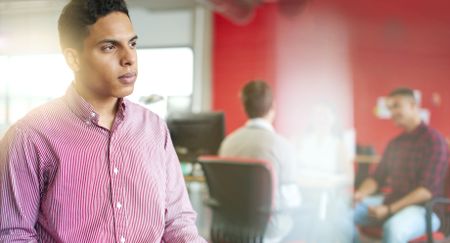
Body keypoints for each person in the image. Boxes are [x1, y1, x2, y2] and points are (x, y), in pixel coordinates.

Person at [0, 0, 206, 242]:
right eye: (109, 47)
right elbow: (13, 234)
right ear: (73, 59)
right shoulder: (31, 136)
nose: (129, 58)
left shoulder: (154, 129)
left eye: (132, 44)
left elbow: (177, 221)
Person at [353, 87, 449, 243]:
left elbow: (426, 191)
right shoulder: (395, 143)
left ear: (412, 105)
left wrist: (389, 209)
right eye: (390, 108)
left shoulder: (435, 141)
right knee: (342, 214)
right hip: (392, 202)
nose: (392, 112)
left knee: (394, 228)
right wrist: (361, 193)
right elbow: (377, 178)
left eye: (397, 106)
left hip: (424, 209)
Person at [219, 80, 299, 243]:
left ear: (244, 107)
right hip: (269, 230)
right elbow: (291, 199)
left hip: (231, 227)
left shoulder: (227, 143)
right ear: (273, 107)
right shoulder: (283, 146)